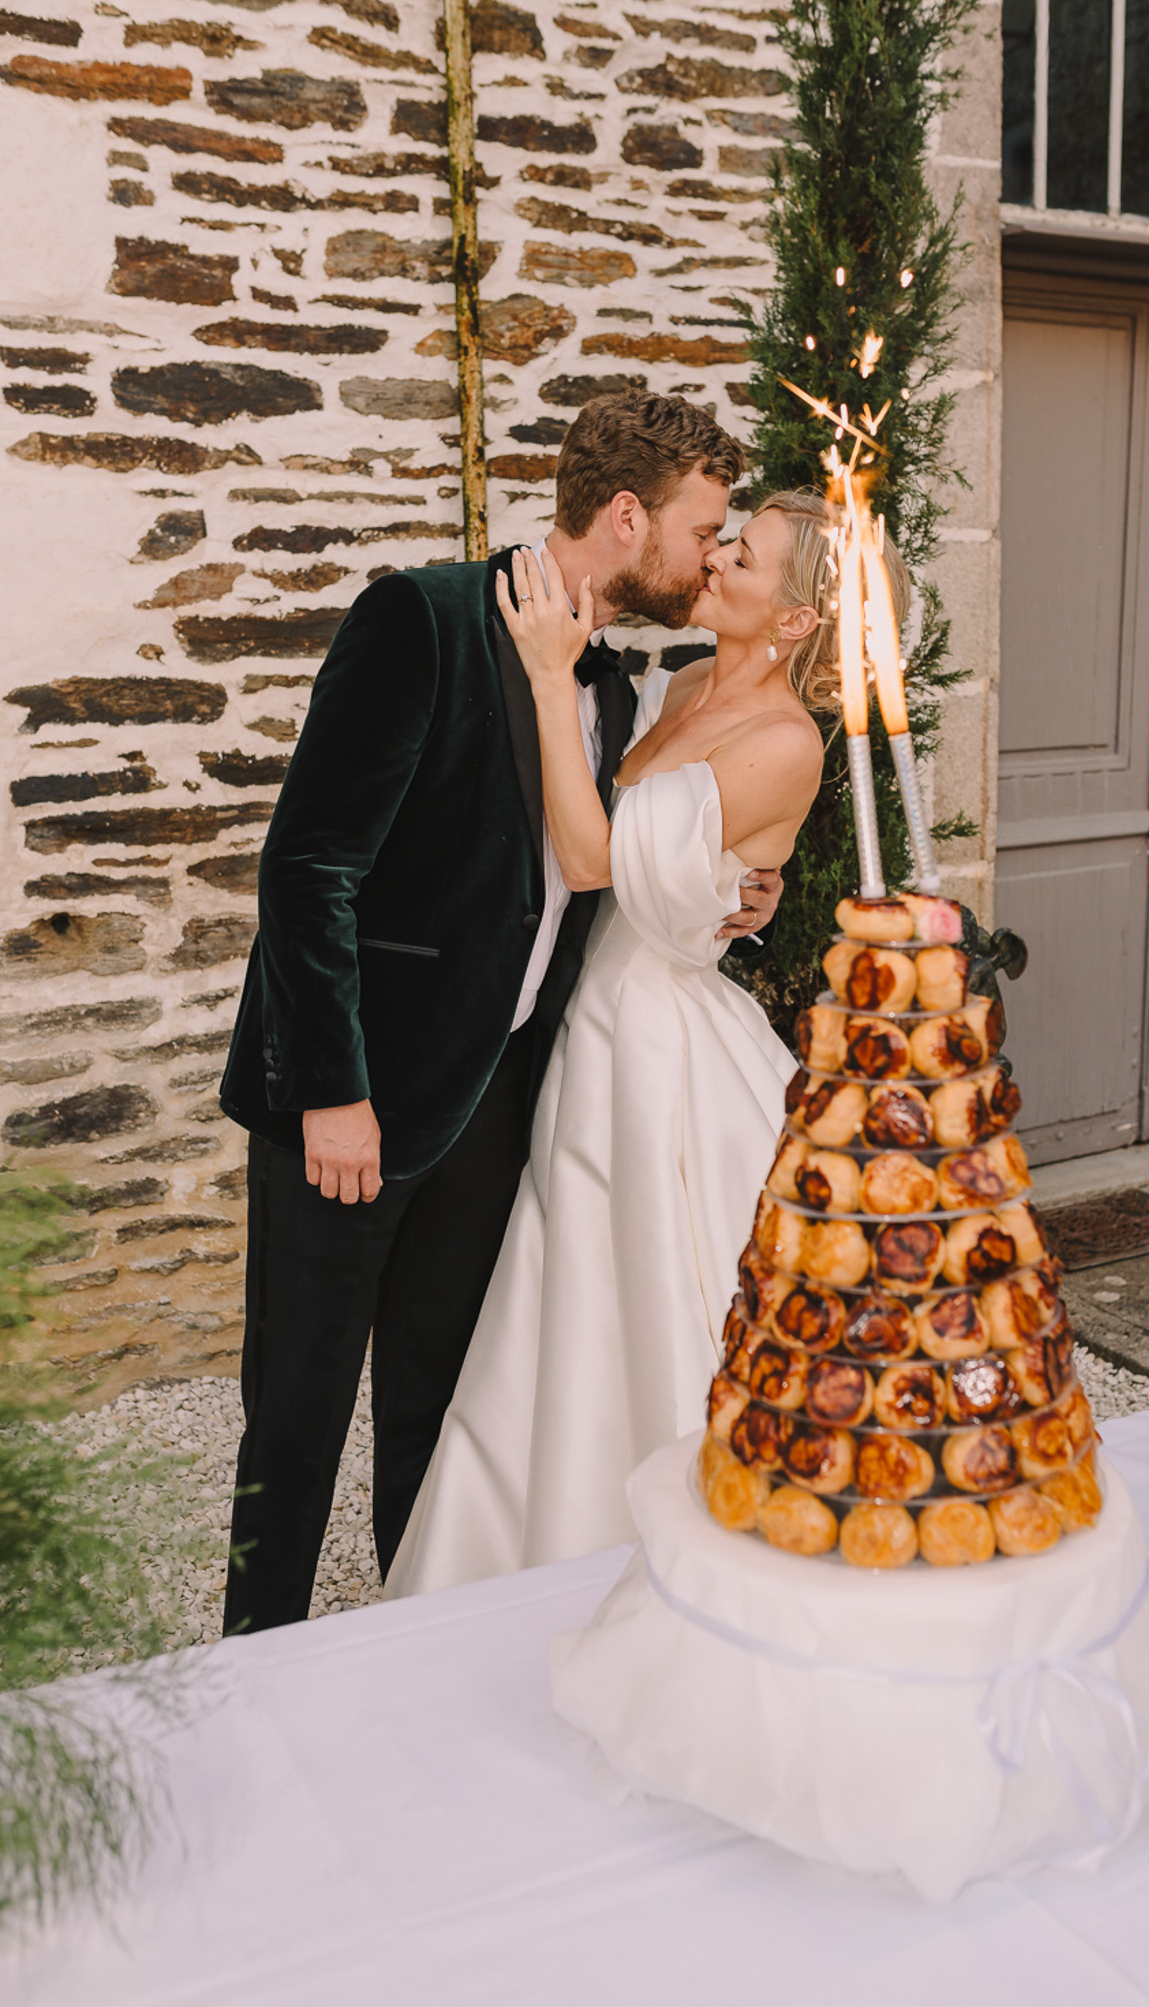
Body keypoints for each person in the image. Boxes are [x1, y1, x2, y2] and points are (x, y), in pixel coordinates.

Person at [217, 391, 782, 1634]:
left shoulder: (620, 698)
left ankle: (409, 1659)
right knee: (297, 1417)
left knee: (436, 1412)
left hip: (494, 1109)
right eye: (701, 528)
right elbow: (308, 869)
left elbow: (597, 881)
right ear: (628, 516)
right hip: (352, 1105)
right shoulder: (419, 619)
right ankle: (245, 1672)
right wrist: (332, 1090)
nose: (706, 557)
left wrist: (729, 889)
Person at [384, 491, 912, 1594]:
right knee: (568, 1292)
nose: (716, 559)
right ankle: (538, 1550)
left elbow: (590, 858)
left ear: (799, 619)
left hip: (661, 1050)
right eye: (726, 539)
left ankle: (692, 1564)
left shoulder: (784, 742)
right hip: (594, 1021)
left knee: (665, 1293)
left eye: (747, 556)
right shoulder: (673, 683)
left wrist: (542, 671)